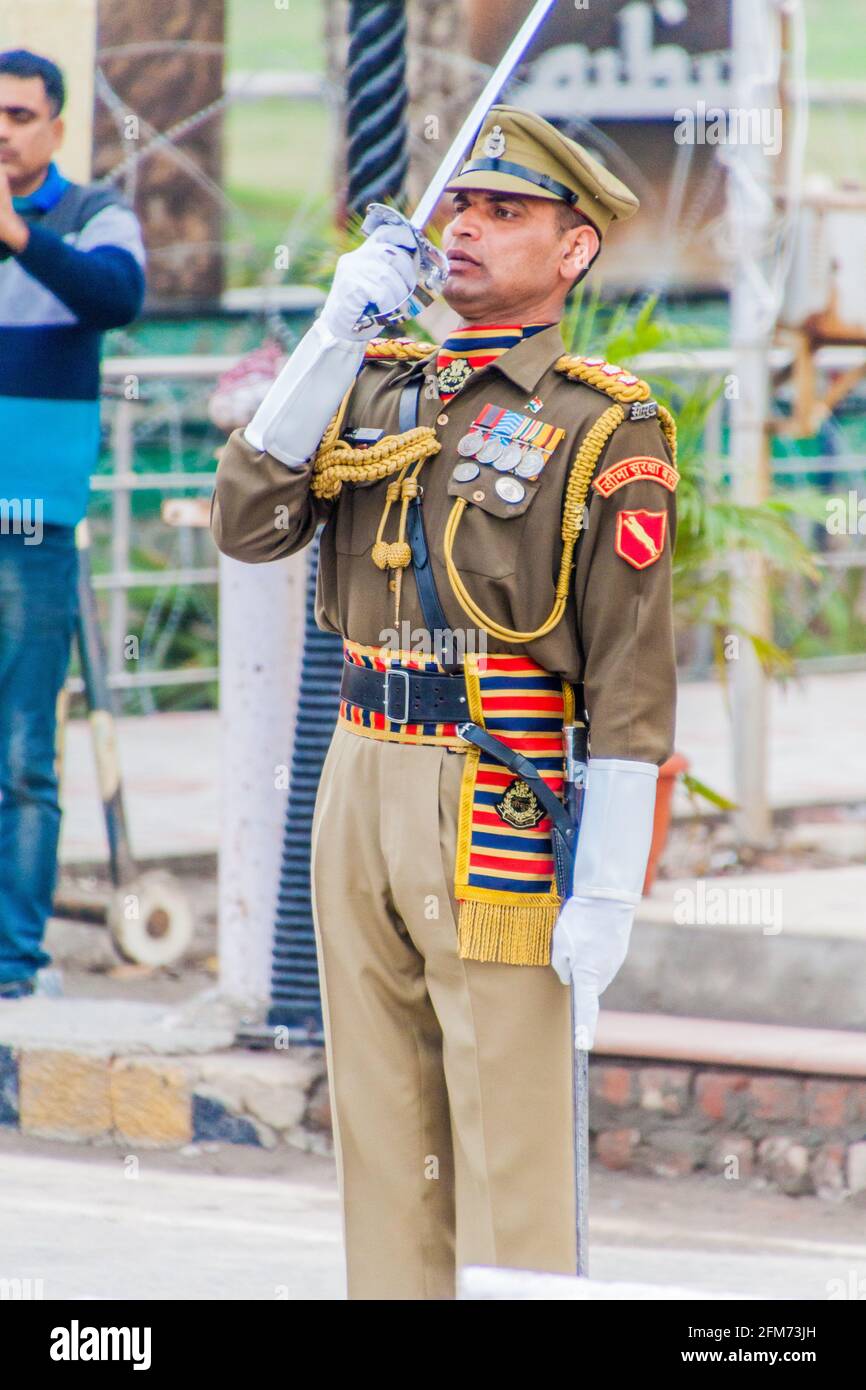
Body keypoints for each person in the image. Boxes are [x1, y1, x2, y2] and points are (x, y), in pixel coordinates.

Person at [211, 105, 678, 1299]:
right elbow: (249, 521)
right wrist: (330, 334)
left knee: (508, 1141)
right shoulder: (375, 382)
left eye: (505, 212)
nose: (464, 227)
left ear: (573, 250)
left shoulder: (599, 421)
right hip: (359, 768)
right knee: (381, 1131)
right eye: (460, 205)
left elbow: (629, 681)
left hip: (493, 789)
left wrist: (610, 892)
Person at [0, 50, 146, 999]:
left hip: (31, 527)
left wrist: (19, 237)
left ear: (55, 127)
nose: (1, 132)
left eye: (17, 115)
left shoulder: (95, 213)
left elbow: (119, 298)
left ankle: (12, 965)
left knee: (19, 756)